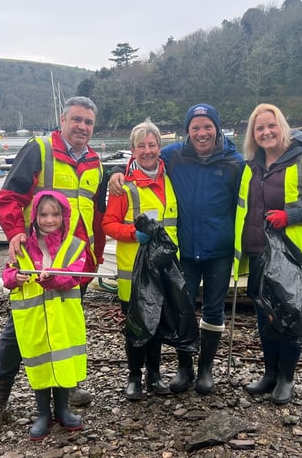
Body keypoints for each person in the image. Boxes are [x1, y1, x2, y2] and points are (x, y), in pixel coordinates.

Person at [0, 96, 105, 430]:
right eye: (76, 119)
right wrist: (14, 233)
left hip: (75, 263)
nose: (82, 127)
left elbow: (97, 214)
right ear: (62, 120)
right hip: (35, 260)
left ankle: (65, 383)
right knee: (19, 328)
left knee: (66, 327)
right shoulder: (39, 150)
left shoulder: (96, 164)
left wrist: (95, 258)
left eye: (88, 122)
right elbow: (8, 198)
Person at [109, 104, 244, 395]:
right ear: (187, 132)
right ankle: (185, 368)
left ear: (217, 128)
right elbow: (143, 158)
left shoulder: (235, 162)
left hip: (219, 250)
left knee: (214, 310)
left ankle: (205, 369)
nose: (202, 133)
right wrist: (118, 172)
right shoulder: (175, 155)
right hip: (185, 253)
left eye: (207, 127)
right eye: (195, 128)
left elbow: (248, 199)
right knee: (181, 309)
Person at [233, 103, 302, 404]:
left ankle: (286, 378)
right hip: (259, 254)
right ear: (253, 134)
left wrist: (290, 216)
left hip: (291, 258)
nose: (266, 132)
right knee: (265, 318)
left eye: (271, 126)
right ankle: (269, 374)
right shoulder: (250, 166)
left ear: (282, 127)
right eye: (259, 128)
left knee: (288, 318)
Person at [1, 191, 87, 440]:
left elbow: (74, 276)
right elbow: (7, 274)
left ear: (64, 216)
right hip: (33, 319)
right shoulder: (22, 245)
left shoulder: (74, 245)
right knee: (39, 363)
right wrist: (14, 278)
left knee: (62, 361)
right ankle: (43, 414)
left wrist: (53, 280)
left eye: (55, 214)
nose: (49, 220)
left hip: (63, 316)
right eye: (44, 214)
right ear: (35, 216)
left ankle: (62, 410)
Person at [102, 120, 176, 400]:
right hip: (133, 272)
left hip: (162, 269)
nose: (147, 151)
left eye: (152, 145)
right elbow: (108, 224)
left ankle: (154, 375)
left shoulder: (171, 179)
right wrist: (133, 233)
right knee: (135, 326)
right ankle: (134, 376)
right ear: (132, 150)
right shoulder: (124, 187)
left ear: (160, 147)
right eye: (141, 146)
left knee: (156, 324)